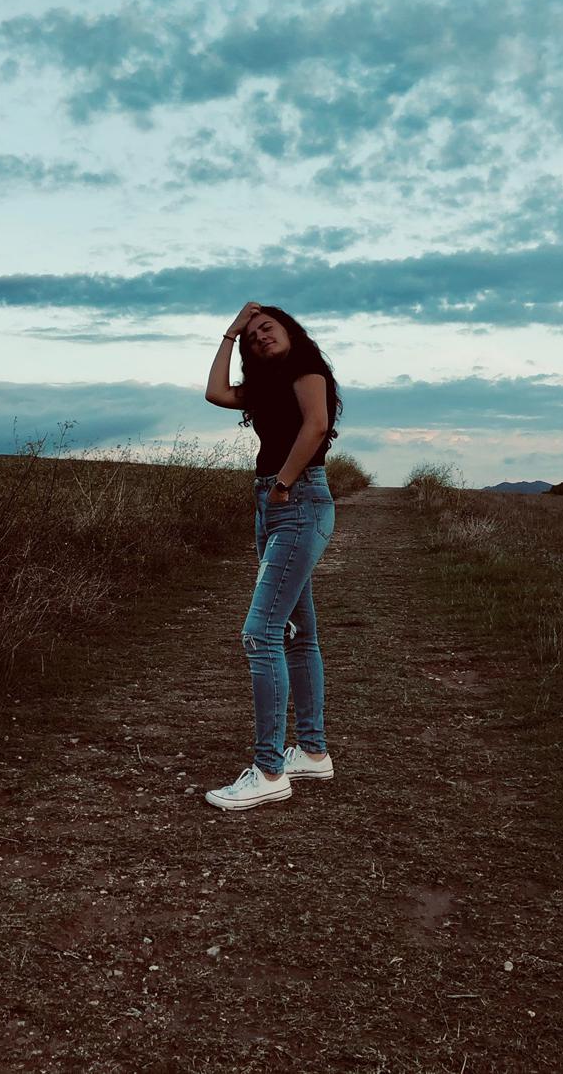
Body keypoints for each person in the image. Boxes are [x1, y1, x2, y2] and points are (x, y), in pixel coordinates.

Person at [202, 301, 342, 811]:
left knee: (261, 633)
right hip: (275, 503)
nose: (260, 336)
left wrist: (283, 484)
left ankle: (268, 771)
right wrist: (229, 332)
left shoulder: (307, 369)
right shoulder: (264, 385)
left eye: (268, 327)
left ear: (290, 331)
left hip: (296, 500)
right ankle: (313, 751)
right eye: (252, 335)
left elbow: (316, 425)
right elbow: (216, 392)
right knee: (298, 634)